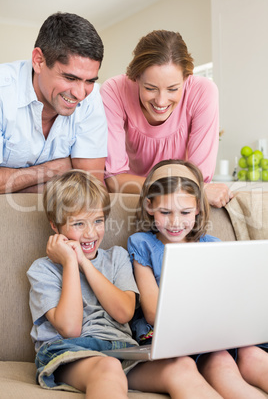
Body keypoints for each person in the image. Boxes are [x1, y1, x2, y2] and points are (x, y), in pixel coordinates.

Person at [27, 169, 223, 399]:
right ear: (55, 225)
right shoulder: (43, 269)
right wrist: (70, 263)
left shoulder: (116, 257)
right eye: (79, 224)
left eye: (98, 221)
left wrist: (83, 262)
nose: (91, 233)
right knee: (108, 368)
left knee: (182, 366)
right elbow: (70, 329)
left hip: (122, 349)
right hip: (69, 352)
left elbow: (124, 313)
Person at [128, 159, 268, 398]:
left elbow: (232, 298)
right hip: (173, 337)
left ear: (198, 209)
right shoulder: (142, 244)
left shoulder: (212, 245)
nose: (175, 222)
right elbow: (153, 312)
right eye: (165, 212)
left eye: (185, 212)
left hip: (216, 332)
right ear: (150, 206)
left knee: (254, 355)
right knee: (221, 363)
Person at [100, 29, 232, 208]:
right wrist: (186, 189)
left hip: (178, 205)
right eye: (150, 88)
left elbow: (199, 178)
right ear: (136, 77)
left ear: (186, 79)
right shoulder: (115, 90)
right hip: (131, 198)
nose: (161, 101)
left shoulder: (203, 92)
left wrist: (192, 188)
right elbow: (114, 180)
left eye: (172, 89)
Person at [0, 12, 108, 194]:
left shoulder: (92, 97)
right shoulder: (3, 91)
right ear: (39, 61)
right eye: (70, 78)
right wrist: (52, 170)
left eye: (89, 81)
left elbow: (91, 189)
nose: (80, 94)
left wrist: (13, 184)